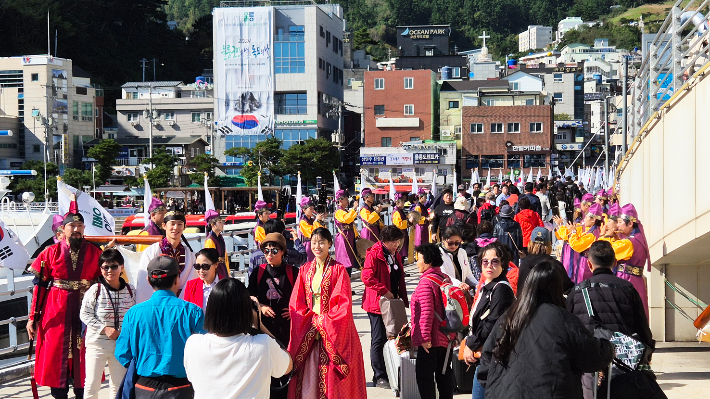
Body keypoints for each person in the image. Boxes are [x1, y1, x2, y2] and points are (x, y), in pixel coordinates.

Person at [477, 261, 614, 399]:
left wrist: (498, 386)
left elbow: (485, 365)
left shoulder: (509, 317)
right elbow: (591, 356)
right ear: (557, 288)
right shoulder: (563, 319)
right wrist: (608, 348)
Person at [27, 196, 103, 399]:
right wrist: (32, 318)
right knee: (56, 353)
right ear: (64, 229)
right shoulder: (49, 253)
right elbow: (40, 287)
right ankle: (58, 393)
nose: (76, 229)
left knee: (84, 354)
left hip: (87, 308)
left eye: (80, 225)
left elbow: (104, 286)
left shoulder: (96, 252)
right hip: (56, 308)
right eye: (72, 226)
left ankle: (81, 392)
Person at [566, 240, 654, 399]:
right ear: (614, 262)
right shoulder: (627, 289)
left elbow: (568, 329)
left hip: (589, 362)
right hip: (622, 361)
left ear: (589, 264)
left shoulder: (577, 291)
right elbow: (642, 325)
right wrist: (648, 349)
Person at [287, 227, 366, 399]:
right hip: (309, 333)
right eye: (314, 242)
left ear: (330, 244)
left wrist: (322, 322)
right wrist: (309, 321)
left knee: (332, 379)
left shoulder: (339, 270)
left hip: (332, 332)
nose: (317, 246)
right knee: (308, 381)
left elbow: (343, 304)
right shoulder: (304, 270)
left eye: (322, 242)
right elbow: (296, 302)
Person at [184, 278, 293, 399]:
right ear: (246, 311)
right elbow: (287, 367)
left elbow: (191, 377)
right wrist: (259, 325)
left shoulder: (193, 344)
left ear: (211, 310)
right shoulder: (263, 345)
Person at [115, 255, 204, 399]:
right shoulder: (192, 312)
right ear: (177, 280)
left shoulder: (133, 313)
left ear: (149, 280)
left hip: (144, 387)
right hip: (182, 387)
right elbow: (203, 351)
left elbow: (122, 353)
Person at [462, 242, 516, 399]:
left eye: (495, 261)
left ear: (503, 263)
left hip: (493, 357)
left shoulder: (501, 289)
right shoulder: (488, 286)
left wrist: (470, 345)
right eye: (485, 261)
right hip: (486, 356)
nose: (489, 265)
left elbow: (492, 323)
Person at [80, 249, 136, 399]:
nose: (110, 270)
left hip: (121, 345)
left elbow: (134, 317)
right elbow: (84, 314)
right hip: (97, 344)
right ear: (101, 269)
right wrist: (104, 329)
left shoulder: (131, 291)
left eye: (114, 266)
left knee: (118, 386)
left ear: (121, 267)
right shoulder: (95, 290)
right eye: (106, 267)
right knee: (92, 385)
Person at [361, 225, 409, 389]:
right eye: (395, 242)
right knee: (378, 338)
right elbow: (366, 277)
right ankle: (379, 375)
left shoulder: (394, 254)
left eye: (398, 241)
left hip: (392, 302)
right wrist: (385, 291)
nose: (397, 245)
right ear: (386, 241)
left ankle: (391, 371)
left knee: (395, 336)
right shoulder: (374, 253)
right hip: (377, 303)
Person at [410, 243, 455, 399]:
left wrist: (424, 338)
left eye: (419, 259)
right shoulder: (445, 278)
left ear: (428, 261)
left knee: (424, 379)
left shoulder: (425, 283)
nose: (417, 262)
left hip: (431, 341)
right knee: (444, 375)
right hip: (447, 337)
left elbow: (426, 312)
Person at [135, 207, 197, 303]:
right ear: (164, 226)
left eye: (180, 224)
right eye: (172, 224)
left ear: (185, 227)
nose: (176, 228)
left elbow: (192, 281)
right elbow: (144, 284)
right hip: (156, 302)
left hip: (182, 303)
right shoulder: (151, 252)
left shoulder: (190, 255)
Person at [599, 203, 652, 315]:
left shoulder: (630, 242)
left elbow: (604, 251)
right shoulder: (636, 238)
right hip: (633, 280)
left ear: (630, 223)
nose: (617, 226)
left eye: (620, 222)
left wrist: (606, 236)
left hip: (628, 280)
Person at [249, 233, 299, 348]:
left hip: (288, 327)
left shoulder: (293, 272)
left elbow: (304, 296)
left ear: (283, 252)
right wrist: (261, 306)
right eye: (266, 251)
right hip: (264, 327)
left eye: (274, 251)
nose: (269, 254)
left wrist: (294, 310)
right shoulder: (258, 272)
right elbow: (249, 295)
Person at [555, 203, 603, 284]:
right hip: (584, 261)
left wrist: (573, 231)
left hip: (586, 264)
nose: (584, 219)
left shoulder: (592, 234)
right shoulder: (591, 231)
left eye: (587, 217)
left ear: (593, 220)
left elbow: (576, 244)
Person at [517, 227, 574, 294]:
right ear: (549, 244)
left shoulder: (525, 263)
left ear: (530, 244)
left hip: (528, 303)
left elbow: (520, 289)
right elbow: (569, 289)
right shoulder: (555, 264)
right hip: (550, 303)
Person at [438, 226, 477, 291]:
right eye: (450, 243)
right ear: (443, 240)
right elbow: (443, 275)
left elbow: (468, 275)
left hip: (461, 292)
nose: (453, 246)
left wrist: (477, 285)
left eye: (457, 243)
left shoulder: (462, 252)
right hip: (447, 291)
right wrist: (458, 284)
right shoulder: (439, 253)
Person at [333, 189, 359, 273]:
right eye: (346, 199)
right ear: (340, 200)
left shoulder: (345, 211)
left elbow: (351, 222)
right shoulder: (338, 212)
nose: (348, 201)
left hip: (349, 237)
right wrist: (354, 208)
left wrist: (357, 235)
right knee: (345, 262)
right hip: (343, 238)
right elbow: (347, 219)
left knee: (350, 261)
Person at [203, 209, 229, 279]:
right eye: (220, 222)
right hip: (217, 273)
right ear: (212, 225)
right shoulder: (210, 240)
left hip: (223, 270)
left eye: (222, 222)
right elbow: (210, 261)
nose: (222, 224)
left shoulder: (220, 238)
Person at [298, 197, 325, 262]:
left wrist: (321, 221)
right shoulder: (303, 222)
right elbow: (311, 233)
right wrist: (317, 221)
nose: (313, 210)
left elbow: (322, 230)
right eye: (310, 208)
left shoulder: (312, 220)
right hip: (308, 246)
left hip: (315, 244)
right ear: (304, 210)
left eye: (313, 208)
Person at [391, 192, 412, 260]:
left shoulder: (400, 210)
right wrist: (408, 221)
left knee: (401, 256)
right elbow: (399, 224)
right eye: (402, 202)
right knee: (399, 255)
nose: (403, 203)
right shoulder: (396, 212)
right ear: (397, 203)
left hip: (402, 234)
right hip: (399, 236)